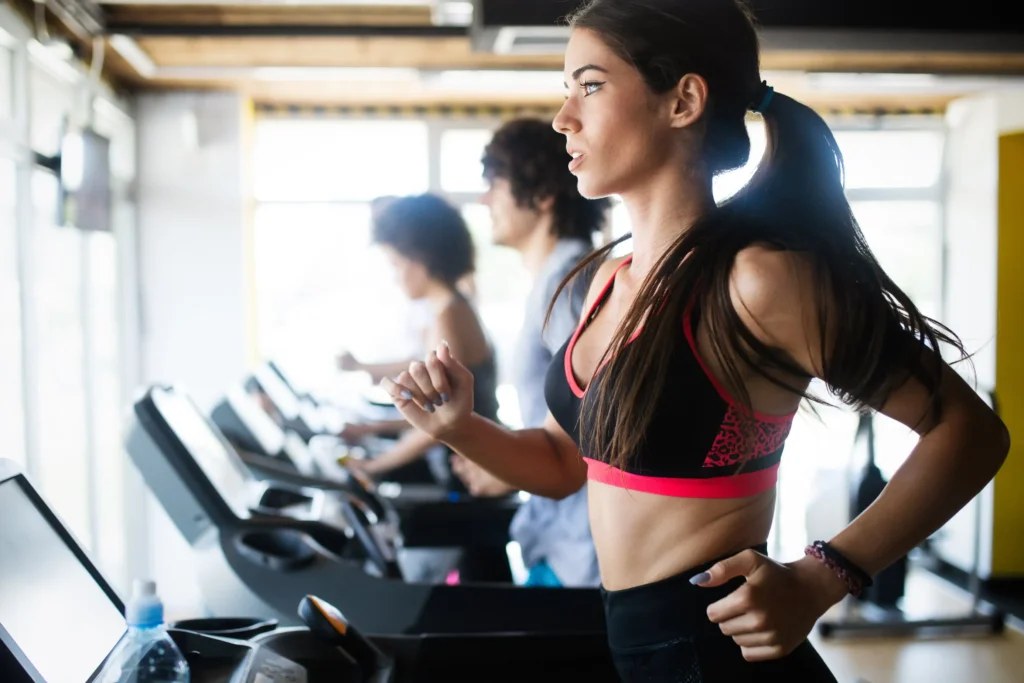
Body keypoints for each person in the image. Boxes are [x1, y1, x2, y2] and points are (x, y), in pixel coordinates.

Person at [377, 1, 1011, 680]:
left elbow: (967, 432)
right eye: (566, 91)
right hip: (632, 643)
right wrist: (458, 427)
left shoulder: (759, 280)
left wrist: (824, 574)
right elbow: (567, 464)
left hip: (716, 653)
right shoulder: (606, 283)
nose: (565, 117)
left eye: (589, 86)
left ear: (682, 100)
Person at [449, 118, 610, 588]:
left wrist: (506, 470)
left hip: (582, 551)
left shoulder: (570, 282)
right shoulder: (554, 279)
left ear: (542, 194)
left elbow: (596, 430)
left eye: (494, 186)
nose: (484, 200)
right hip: (563, 537)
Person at [342, 193, 500, 479]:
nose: (395, 277)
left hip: (466, 473)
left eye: (396, 265)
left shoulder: (448, 320)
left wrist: (372, 466)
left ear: (419, 261)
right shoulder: (453, 306)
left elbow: (439, 424)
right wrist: (372, 429)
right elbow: (432, 411)